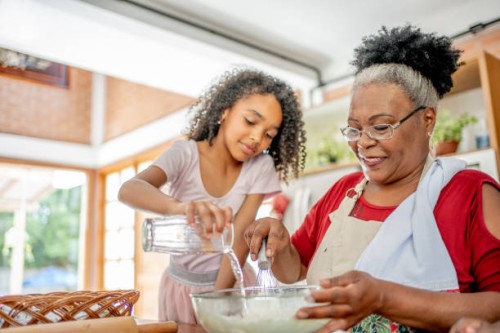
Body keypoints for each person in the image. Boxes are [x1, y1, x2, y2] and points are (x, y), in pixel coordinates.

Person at [245, 25, 500, 333]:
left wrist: (384, 297)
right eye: (354, 129)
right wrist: (281, 244)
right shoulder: (342, 194)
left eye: (381, 127)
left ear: (427, 119)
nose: (362, 143)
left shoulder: (471, 192)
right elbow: (294, 270)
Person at [118, 67, 306, 324]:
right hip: (179, 288)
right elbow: (129, 189)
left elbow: (239, 236)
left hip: (231, 286)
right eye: (250, 121)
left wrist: (218, 300)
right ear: (224, 111)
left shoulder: (259, 167)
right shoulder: (184, 154)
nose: (256, 138)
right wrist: (180, 209)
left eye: (269, 135)